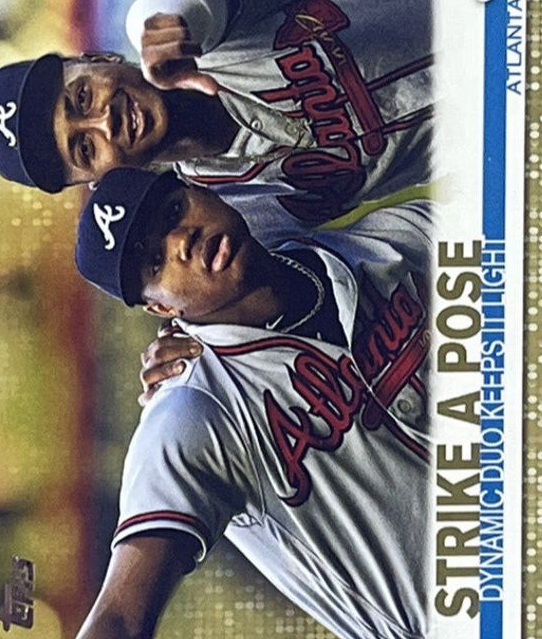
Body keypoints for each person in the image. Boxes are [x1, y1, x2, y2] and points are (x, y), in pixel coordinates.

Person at [74, 167, 434, 639]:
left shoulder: (388, 245)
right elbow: (119, 618)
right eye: (155, 262)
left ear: (202, 191)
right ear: (161, 307)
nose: (182, 240)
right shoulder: (192, 412)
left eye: (174, 210)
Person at [0, 0, 436, 248]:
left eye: (82, 97)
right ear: (100, 182)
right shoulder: (231, 214)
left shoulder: (215, 27)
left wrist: (166, 25)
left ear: (99, 57)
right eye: (84, 148)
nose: (104, 121)